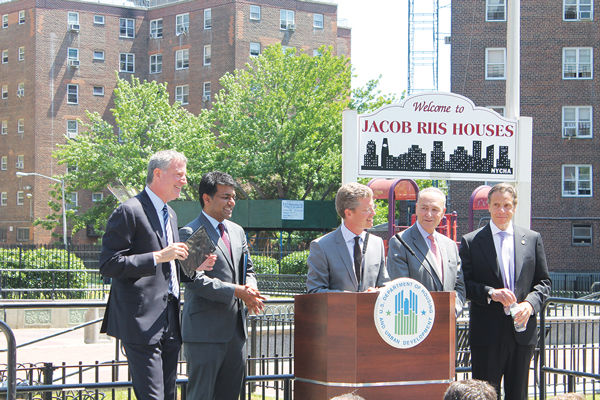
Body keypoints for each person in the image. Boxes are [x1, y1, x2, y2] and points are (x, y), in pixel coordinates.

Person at [100, 150, 204, 400]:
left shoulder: (171, 214)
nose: (185, 181)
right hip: (140, 320)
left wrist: (193, 266)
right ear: (158, 174)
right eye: (179, 174)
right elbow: (109, 264)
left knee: (169, 395)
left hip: (170, 318)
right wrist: (158, 256)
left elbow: (167, 268)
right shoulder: (129, 210)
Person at [459, 183, 551, 400]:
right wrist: (491, 293)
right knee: (484, 395)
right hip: (487, 335)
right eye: (497, 205)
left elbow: (544, 283)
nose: (502, 211)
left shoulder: (532, 239)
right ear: (488, 207)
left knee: (518, 395)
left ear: (514, 207)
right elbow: (465, 285)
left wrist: (529, 304)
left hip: (522, 333)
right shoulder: (471, 241)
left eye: (507, 205)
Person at [179, 171, 266, 400]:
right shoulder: (193, 231)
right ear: (207, 198)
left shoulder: (236, 231)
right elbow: (193, 280)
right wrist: (236, 291)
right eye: (225, 196)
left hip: (236, 333)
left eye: (233, 196)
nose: (232, 202)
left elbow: (248, 269)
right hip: (204, 334)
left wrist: (250, 289)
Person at [387, 187, 466, 315]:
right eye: (424, 208)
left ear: (443, 212)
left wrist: (453, 311)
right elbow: (402, 289)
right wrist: (429, 316)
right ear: (417, 208)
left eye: (435, 209)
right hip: (416, 324)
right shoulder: (400, 242)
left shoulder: (450, 245)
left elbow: (459, 286)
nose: (429, 214)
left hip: (447, 324)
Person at [306, 182, 389, 293]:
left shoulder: (377, 243)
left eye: (373, 207)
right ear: (349, 213)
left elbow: (385, 286)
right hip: (339, 310)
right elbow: (315, 291)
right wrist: (350, 299)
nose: (373, 213)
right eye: (366, 209)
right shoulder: (322, 246)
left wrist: (378, 292)